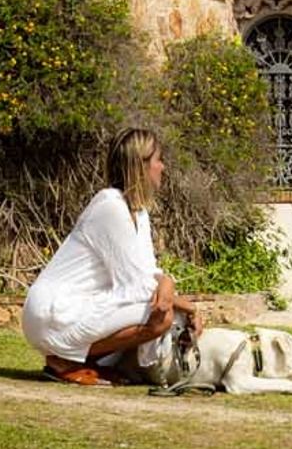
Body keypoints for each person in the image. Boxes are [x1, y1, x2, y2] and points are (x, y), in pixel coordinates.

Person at [21, 126, 198, 387]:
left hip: (77, 306)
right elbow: (139, 287)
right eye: (158, 160)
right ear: (141, 165)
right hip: (54, 311)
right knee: (163, 317)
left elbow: (147, 271)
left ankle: (86, 361)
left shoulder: (138, 212)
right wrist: (189, 306)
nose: (163, 167)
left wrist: (166, 281)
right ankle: (63, 360)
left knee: (166, 311)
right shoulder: (110, 206)